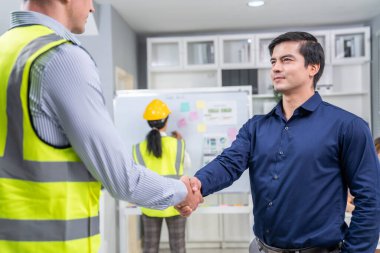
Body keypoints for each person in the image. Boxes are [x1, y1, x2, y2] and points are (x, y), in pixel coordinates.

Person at [0, 1, 201, 253]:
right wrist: (183, 191)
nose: (93, 8)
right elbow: (121, 178)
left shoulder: (6, 50)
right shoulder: (63, 58)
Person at [177, 31, 380, 252]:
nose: (275, 67)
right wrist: (197, 184)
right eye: (273, 61)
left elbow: (370, 198)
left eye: (286, 60)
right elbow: (228, 163)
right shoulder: (256, 127)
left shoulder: (348, 126)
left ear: (313, 67)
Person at [133, 99, 190, 253]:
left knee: (149, 248)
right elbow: (187, 166)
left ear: (148, 123)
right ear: (166, 121)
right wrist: (179, 141)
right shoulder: (177, 144)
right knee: (178, 248)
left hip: (150, 204)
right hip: (175, 203)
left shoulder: (138, 148)